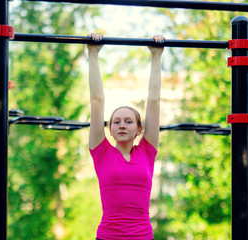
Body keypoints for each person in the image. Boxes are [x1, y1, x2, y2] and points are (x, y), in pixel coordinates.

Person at [87, 32, 164, 240]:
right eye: (116, 122)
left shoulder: (147, 151)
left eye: (128, 121)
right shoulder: (100, 151)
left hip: (142, 236)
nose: (122, 125)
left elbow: (154, 101)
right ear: (109, 129)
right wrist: (92, 54)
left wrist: (156, 56)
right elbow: (97, 100)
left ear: (139, 129)